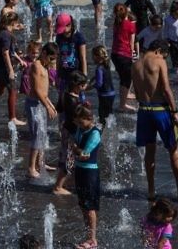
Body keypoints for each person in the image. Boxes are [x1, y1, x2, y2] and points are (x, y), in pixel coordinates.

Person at [131, 39, 178, 202]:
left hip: (144, 111)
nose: (165, 57)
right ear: (158, 50)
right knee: (173, 149)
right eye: (164, 54)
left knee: (150, 152)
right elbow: (165, 88)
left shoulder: (135, 65)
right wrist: (174, 110)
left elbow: (136, 93)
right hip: (160, 110)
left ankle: (151, 191)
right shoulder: (159, 61)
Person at [26, 42, 58, 178]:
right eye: (51, 58)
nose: (52, 61)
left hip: (41, 103)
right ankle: (31, 167)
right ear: (44, 53)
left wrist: (50, 104)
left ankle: (41, 162)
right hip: (34, 105)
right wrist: (47, 106)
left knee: (43, 134)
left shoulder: (44, 66)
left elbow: (44, 91)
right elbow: (38, 90)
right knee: (37, 136)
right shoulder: (36, 67)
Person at [72, 105, 102, 249]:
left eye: (81, 122)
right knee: (83, 206)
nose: (79, 125)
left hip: (90, 173)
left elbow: (85, 154)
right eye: (77, 122)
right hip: (80, 171)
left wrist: (75, 149)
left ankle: (92, 240)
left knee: (90, 207)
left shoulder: (95, 133)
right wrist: (76, 149)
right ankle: (88, 236)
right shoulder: (81, 129)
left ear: (89, 119)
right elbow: (76, 147)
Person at [53, 71, 87, 195]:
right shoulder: (73, 100)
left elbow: (59, 109)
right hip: (72, 132)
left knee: (66, 156)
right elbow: (77, 119)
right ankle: (58, 186)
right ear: (76, 85)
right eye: (82, 85)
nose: (84, 88)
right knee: (69, 159)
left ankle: (66, 182)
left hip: (66, 129)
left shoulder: (65, 95)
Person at [111, 3, 136, 112]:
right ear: (126, 12)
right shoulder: (130, 25)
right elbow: (132, 43)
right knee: (126, 79)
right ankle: (123, 105)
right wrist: (133, 56)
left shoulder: (116, 23)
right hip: (124, 55)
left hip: (115, 54)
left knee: (123, 77)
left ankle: (126, 94)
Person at [55, 12, 87, 92]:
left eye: (62, 29)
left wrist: (84, 78)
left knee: (76, 99)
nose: (61, 31)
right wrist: (57, 74)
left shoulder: (79, 37)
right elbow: (58, 56)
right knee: (62, 97)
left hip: (76, 75)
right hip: (63, 74)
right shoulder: (59, 37)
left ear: (69, 25)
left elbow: (83, 58)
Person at [90, 45, 115, 127]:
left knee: (102, 115)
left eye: (93, 56)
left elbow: (99, 84)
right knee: (109, 113)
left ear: (97, 57)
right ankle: (111, 129)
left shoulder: (99, 68)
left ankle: (103, 131)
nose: (92, 58)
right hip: (111, 93)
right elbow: (105, 75)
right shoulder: (106, 64)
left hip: (104, 95)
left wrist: (89, 87)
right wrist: (94, 77)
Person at [163, 1, 178, 73]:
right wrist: (166, 40)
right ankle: (176, 72)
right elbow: (166, 30)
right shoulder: (168, 19)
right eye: (177, 14)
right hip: (172, 41)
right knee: (174, 58)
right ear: (172, 12)